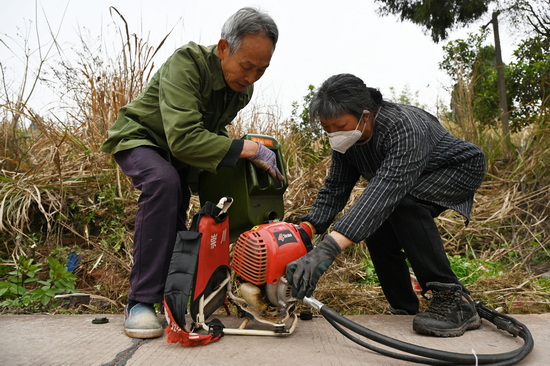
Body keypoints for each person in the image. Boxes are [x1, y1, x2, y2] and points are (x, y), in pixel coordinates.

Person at [100, 7, 282, 339]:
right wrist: (248, 148)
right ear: (224, 48)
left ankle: (180, 296)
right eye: (247, 66)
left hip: (179, 157)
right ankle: (140, 303)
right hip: (141, 138)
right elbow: (183, 137)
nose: (252, 77)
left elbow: (210, 130)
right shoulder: (187, 63)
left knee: (196, 204)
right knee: (163, 183)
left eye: (262, 70)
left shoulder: (242, 89)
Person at [286, 73, 486, 337]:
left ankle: (452, 299)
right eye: (327, 129)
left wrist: (327, 251)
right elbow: (335, 188)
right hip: (407, 181)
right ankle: (403, 307)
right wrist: (305, 230)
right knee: (378, 226)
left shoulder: (404, 127)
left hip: (456, 169)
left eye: (339, 125)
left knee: (402, 205)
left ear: (365, 116)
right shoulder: (347, 140)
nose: (334, 135)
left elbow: (386, 191)